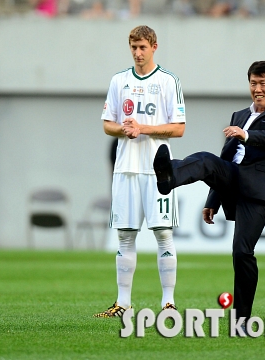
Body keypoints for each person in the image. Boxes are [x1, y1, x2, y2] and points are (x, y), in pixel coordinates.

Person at [153, 61, 265, 327]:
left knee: (242, 252)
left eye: (263, 83)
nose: (257, 89)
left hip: (259, 190)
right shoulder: (239, 114)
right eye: (253, 83)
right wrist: (213, 199)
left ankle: (242, 321)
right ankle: (169, 176)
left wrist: (246, 134)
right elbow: (227, 156)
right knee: (207, 159)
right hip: (233, 179)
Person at [94, 25, 186, 318]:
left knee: (163, 233)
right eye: (133, 47)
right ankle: (123, 303)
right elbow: (107, 123)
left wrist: (143, 128)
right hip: (125, 169)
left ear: (154, 47)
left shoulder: (169, 81)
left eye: (142, 47)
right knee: (125, 236)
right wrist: (123, 129)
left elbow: (179, 128)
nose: (137, 53)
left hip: (157, 170)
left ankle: (168, 303)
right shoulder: (119, 81)